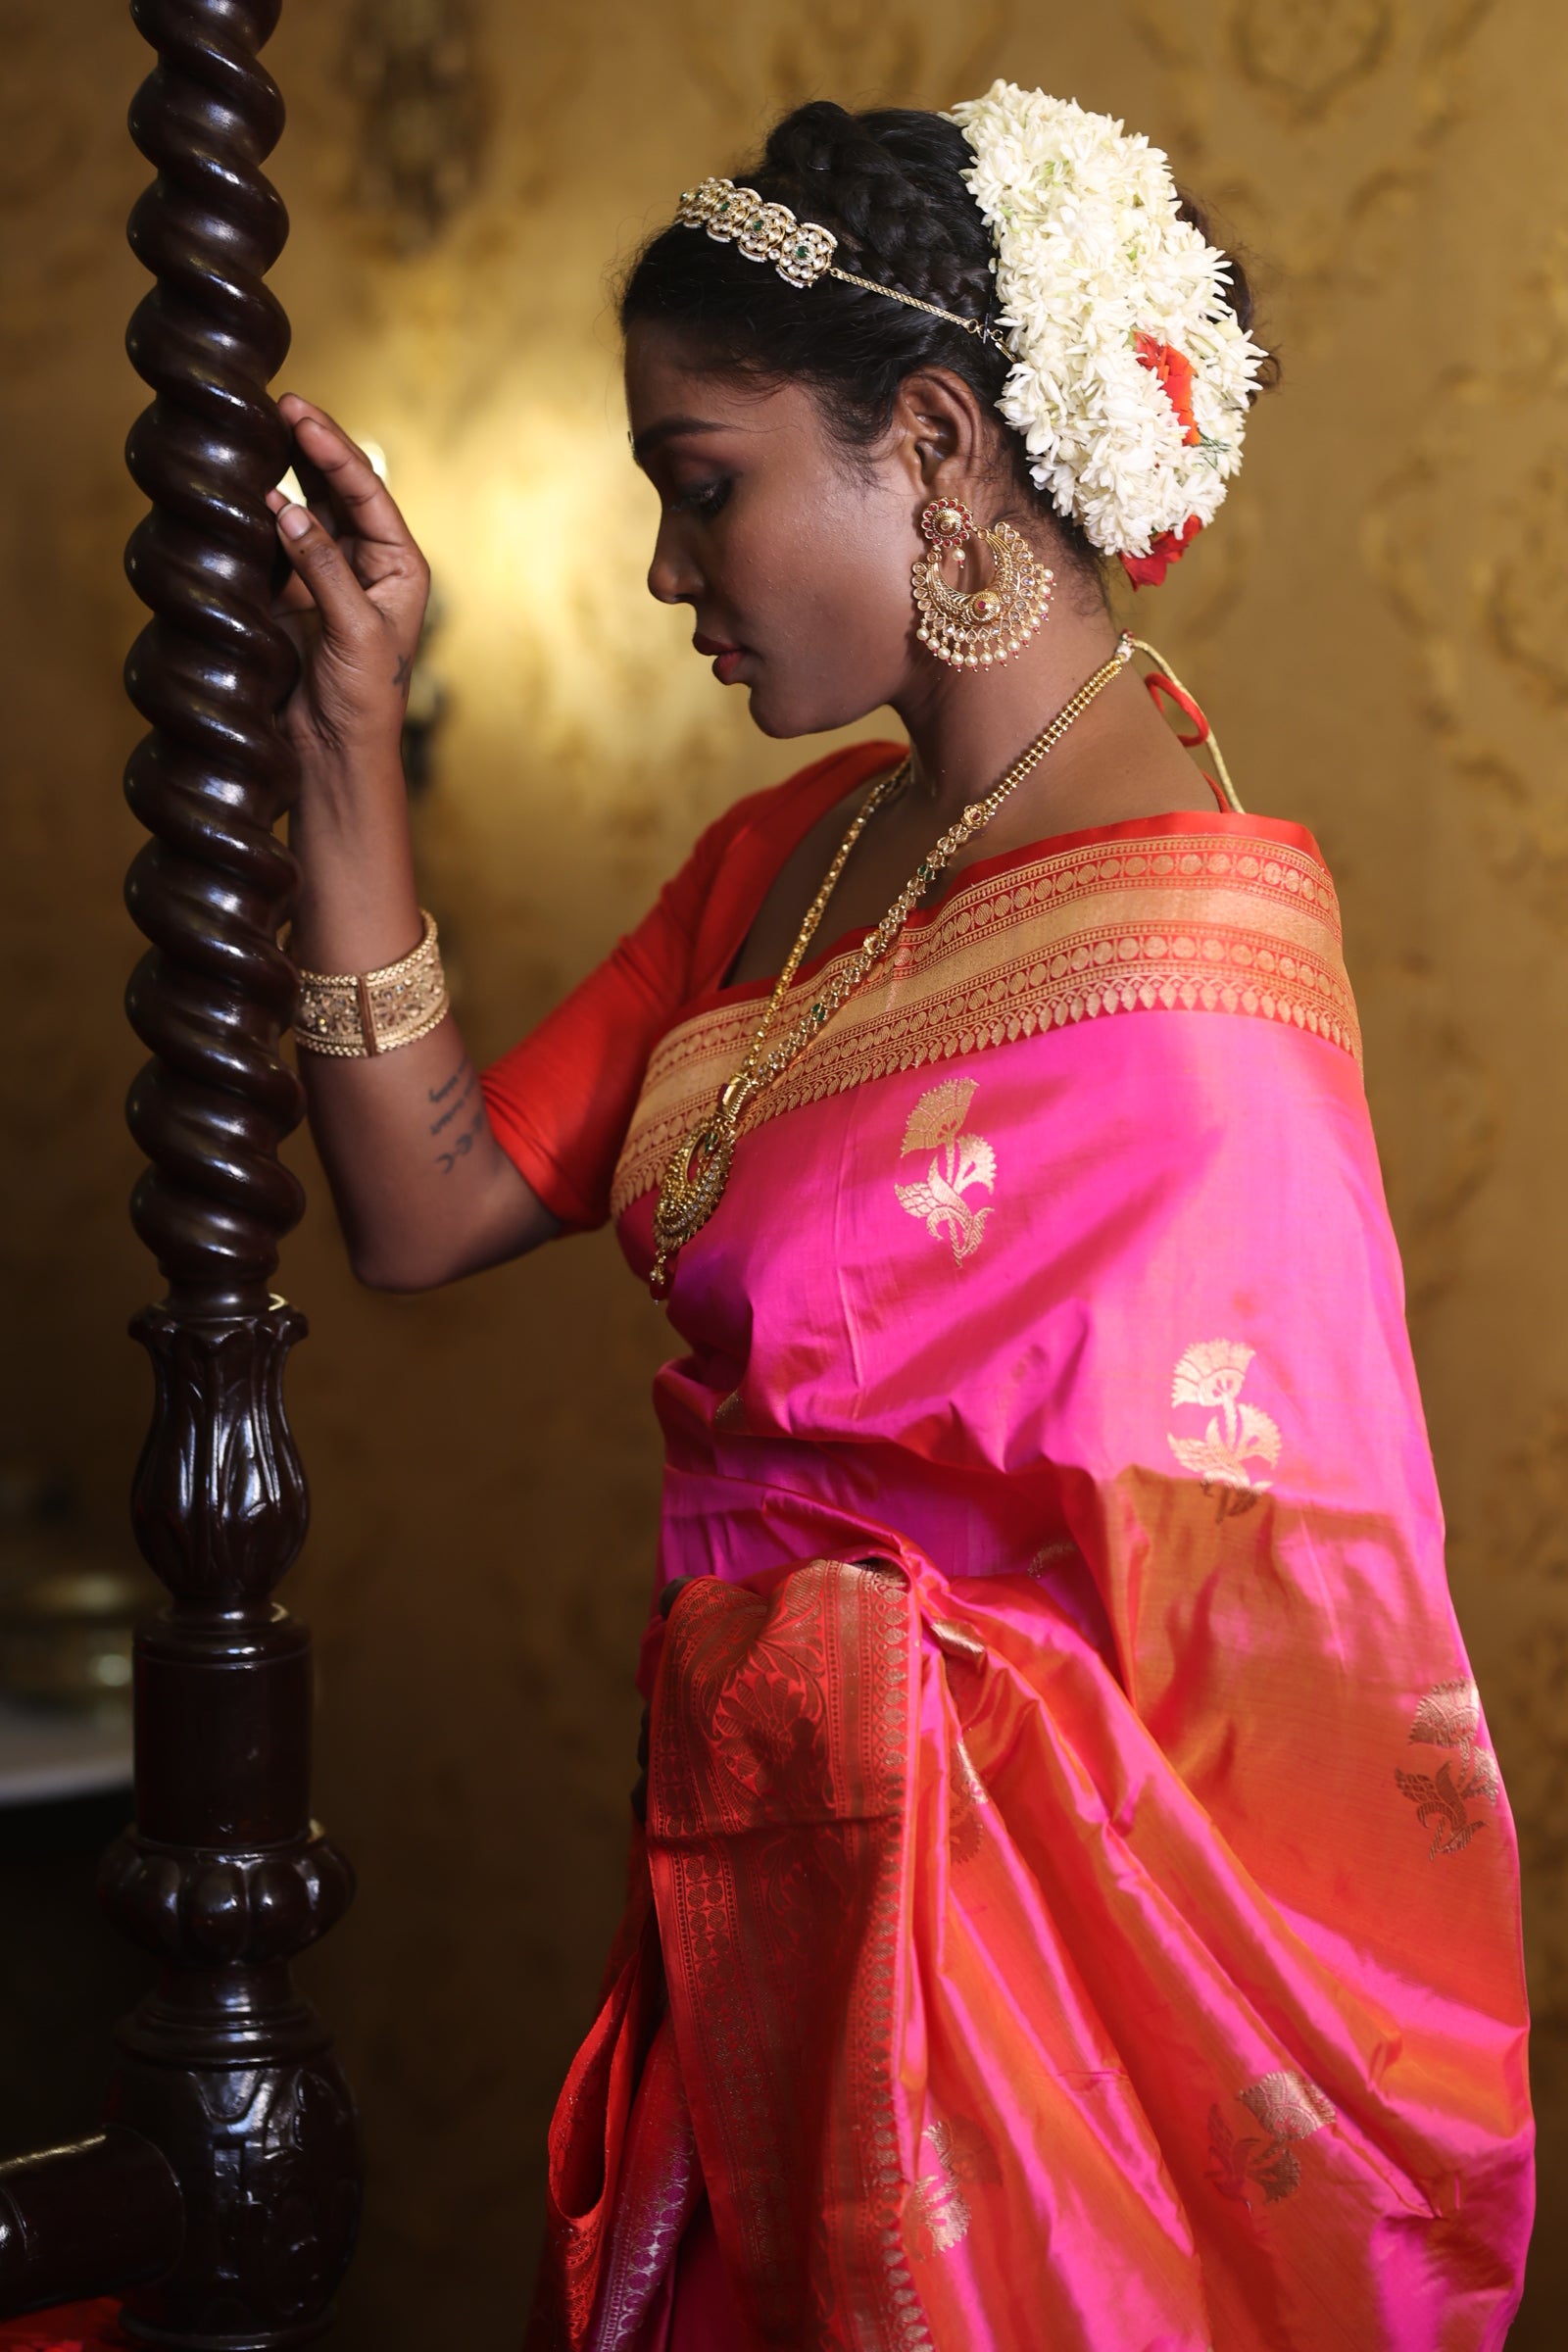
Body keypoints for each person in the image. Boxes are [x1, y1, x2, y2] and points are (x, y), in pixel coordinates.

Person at [267, 83, 1533, 2352]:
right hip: (770, 1927)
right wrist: (347, 721)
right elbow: (426, 1200)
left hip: (1038, 2038)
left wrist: (864, 1695)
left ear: (935, 445)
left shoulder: (1192, 975)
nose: (668, 569)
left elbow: (1295, 1657)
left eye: (702, 480)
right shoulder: (789, 860)